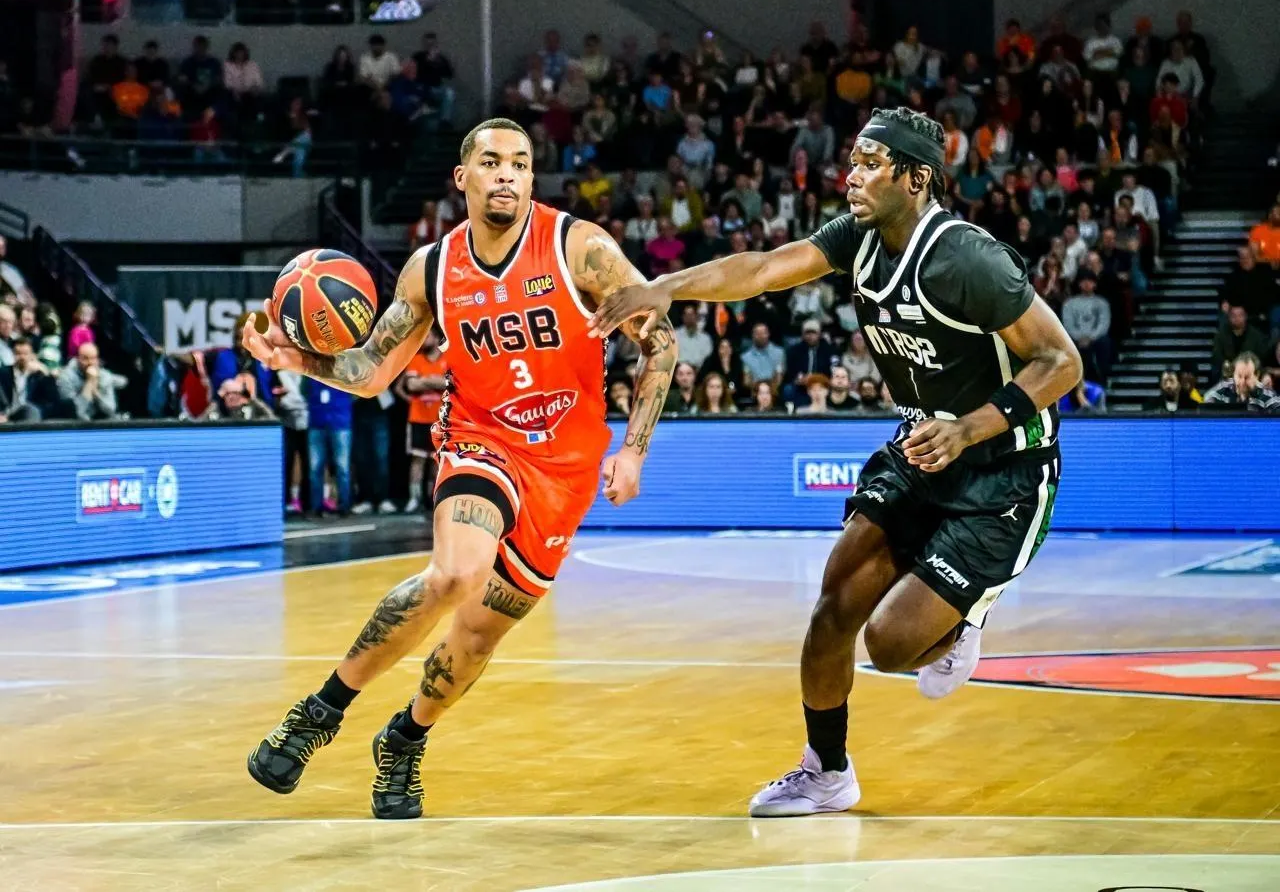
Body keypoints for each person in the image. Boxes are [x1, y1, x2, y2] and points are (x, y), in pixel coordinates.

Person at [590, 107, 1081, 816]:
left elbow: (1062, 362)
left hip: (1004, 469)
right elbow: (762, 269)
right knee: (832, 608)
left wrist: (968, 430)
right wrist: (667, 286)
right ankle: (826, 771)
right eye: (853, 161)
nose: (852, 176)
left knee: (890, 644)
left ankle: (964, 620)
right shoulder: (859, 237)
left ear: (916, 179)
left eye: (871, 164)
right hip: (921, 449)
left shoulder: (969, 259)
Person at [242, 118, 677, 819]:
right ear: (462, 177)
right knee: (456, 572)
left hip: (564, 470)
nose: (507, 174)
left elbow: (661, 342)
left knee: (477, 634)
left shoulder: (580, 249)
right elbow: (371, 370)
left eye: (520, 164)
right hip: (481, 439)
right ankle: (320, 712)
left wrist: (634, 448)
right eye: (492, 161)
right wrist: (296, 359)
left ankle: (404, 739)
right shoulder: (432, 269)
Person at [395, 332, 448, 515]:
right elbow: (411, 386)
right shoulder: (416, 359)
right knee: (417, 460)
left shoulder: (448, 359)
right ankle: (414, 499)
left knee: (437, 461)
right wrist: (436, 381)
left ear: (437, 339)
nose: (424, 340)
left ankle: (433, 498)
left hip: (441, 419)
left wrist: (424, 381)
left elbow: (451, 383)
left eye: (427, 336)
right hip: (418, 418)